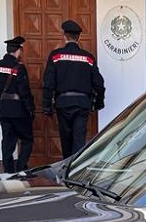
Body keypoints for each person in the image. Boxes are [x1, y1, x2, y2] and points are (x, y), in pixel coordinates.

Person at [42, 19, 105, 159]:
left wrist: (47, 107)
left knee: (66, 139)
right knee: (79, 140)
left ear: (64, 36)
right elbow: (98, 83)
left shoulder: (56, 56)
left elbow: (48, 83)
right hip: (82, 104)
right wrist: (98, 103)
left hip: (63, 104)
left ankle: (66, 166)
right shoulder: (88, 58)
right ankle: (75, 168)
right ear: (79, 37)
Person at [0, 35, 35, 172]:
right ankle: (21, 167)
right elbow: (24, 91)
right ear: (18, 51)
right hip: (18, 109)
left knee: (7, 140)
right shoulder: (19, 67)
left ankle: (8, 170)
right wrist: (30, 109)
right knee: (27, 139)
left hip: (3, 108)